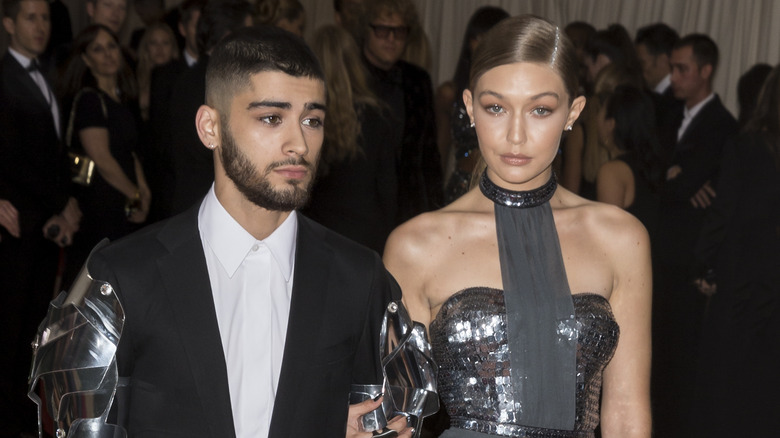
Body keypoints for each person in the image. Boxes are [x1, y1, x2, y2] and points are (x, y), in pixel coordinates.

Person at [81, 25, 410, 437]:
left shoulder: (360, 278)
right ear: (210, 127)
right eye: (271, 118)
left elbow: (386, 416)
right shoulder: (122, 277)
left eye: (312, 120)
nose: (299, 144)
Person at [384, 14, 652, 438]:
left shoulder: (621, 238)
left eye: (540, 110)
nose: (515, 135)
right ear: (470, 108)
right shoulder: (416, 245)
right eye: (496, 108)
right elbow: (398, 419)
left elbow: (625, 410)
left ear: (573, 112)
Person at [652, 33, 738, 438]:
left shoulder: (724, 126)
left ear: (706, 71)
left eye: (682, 69)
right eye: (671, 67)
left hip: (687, 261)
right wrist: (674, 179)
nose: (674, 77)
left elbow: (688, 188)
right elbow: (654, 175)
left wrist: (676, 180)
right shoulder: (666, 113)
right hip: (658, 252)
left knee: (680, 361)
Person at [0, 0, 80, 434]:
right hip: (15, 232)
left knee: (37, 338)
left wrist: (67, 202)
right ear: (8, 23)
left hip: (47, 230)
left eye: (45, 17)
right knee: (10, 340)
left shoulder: (50, 75)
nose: (40, 26)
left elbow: (53, 155)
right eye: (30, 17)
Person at [689, 63, 780, 438]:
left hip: (743, 290)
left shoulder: (746, 148)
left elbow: (722, 218)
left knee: (728, 397)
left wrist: (701, 268)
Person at [58, 24, 149, 288]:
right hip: (101, 205)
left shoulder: (121, 98)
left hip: (122, 201)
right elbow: (103, 159)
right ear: (86, 59)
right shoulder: (89, 100)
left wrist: (142, 192)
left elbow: (130, 153)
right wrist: (135, 194)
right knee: (92, 282)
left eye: (111, 46)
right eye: (98, 49)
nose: (108, 54)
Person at [302, 25, 396, 253]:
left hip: (317, 233)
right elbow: (388, 189)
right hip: (365, 236)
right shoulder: (377, 115)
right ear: (354, 62)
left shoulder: (305, 117)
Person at [361, 0, 443, 224]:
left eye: (399, 31)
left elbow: (429, 156)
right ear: (365, 30)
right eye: (382, 30)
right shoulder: (348, 78)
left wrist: (435, 214)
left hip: (406, 211)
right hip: (353, 212)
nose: (391, 39)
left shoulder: (417, 81)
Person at [168, 0, 252, 216]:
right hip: (208, 206)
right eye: (248, 34)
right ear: (228, 35)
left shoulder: (190, 77)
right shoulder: (218, 81)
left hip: (191, 199)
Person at [435, 6, 509, 204]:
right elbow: (440, 151)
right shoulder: (449, 93)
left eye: (490, 37)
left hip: (506, 191)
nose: (481, 44)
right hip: (461, 188)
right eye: (476, 37)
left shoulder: (517, 95)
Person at [595, 85, 665, 236]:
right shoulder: (650, 163)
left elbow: (609, 235)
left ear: (610, 125)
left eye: (600, 112)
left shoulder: (613, 171)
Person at [136, 22, 177, 121]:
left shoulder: (181, 79)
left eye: (165, 43)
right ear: (146, 47)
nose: (159, 49)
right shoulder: (134, 78)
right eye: (153, 43)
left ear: (173, 48)